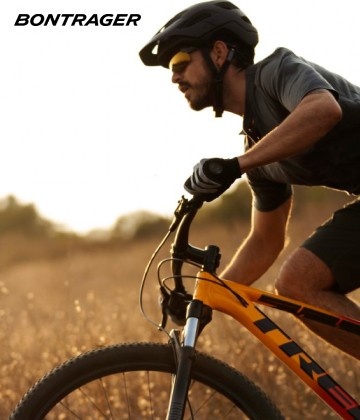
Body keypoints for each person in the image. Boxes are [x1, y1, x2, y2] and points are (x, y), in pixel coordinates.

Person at [139, 0, 360, 359]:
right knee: (297, 284)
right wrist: (206, 298)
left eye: (180, 62)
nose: (174, 76)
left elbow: (323, 109)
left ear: (220, 52)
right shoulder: (259, 147)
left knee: (296, 281)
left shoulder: (276, 71)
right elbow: (266, 240)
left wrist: (235, 166)